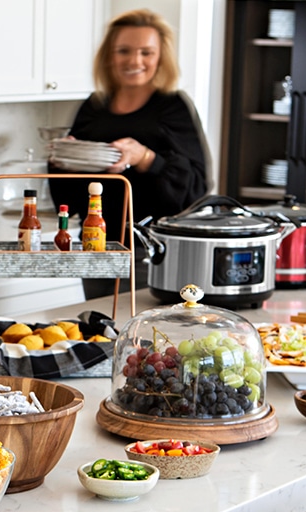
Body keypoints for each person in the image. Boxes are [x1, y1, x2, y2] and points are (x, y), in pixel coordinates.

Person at [47, 9, 213, 298]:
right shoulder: (94, 106)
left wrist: (146, 158)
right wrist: (66, 157)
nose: (135, 61)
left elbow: (197, 187)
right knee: (104, 333)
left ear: (161, 57)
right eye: (124, 51)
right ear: (109, 56)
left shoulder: (173, 106)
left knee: (149, 337)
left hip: (153, 250)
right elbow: (68, 198)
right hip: (98, 246)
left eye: (146, 52)